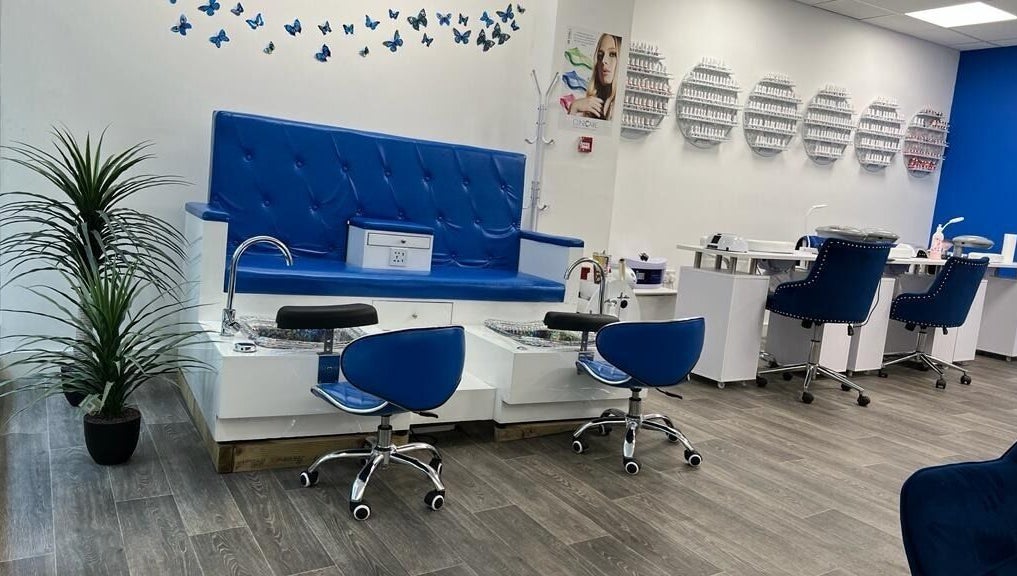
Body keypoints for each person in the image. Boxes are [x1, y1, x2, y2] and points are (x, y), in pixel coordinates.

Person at [568, 34, 620, 120]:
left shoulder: (619, 108)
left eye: (612, 54)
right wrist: (573, 108)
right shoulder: (592, 104)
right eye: (600, 55)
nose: (603, 61)